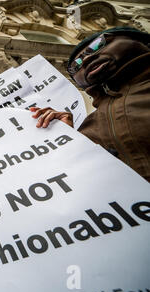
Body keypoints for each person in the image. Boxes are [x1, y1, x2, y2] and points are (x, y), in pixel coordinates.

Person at [30, 27, 150, 181]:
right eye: (76, 66)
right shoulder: (90, 125)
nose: (85, 60)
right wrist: (67, 136)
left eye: (97, 45)